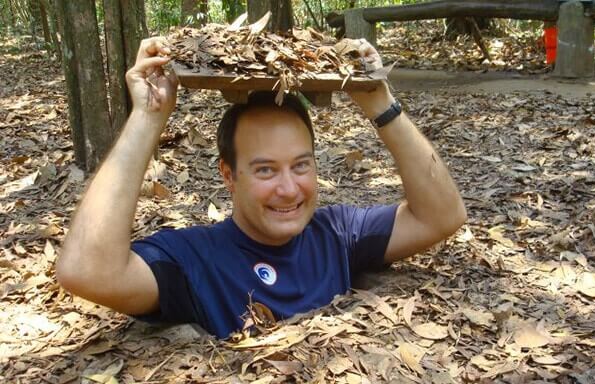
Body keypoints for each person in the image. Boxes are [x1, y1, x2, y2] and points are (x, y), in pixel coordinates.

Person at [56, 37, 466, 339]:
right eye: (266, 170)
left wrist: (380, 102)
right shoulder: (196, 259)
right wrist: (147, 118)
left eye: (301, 165)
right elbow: (87, 272)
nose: (289, 189)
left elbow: (442, 216)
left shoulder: (338, 233)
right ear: (229, 176)